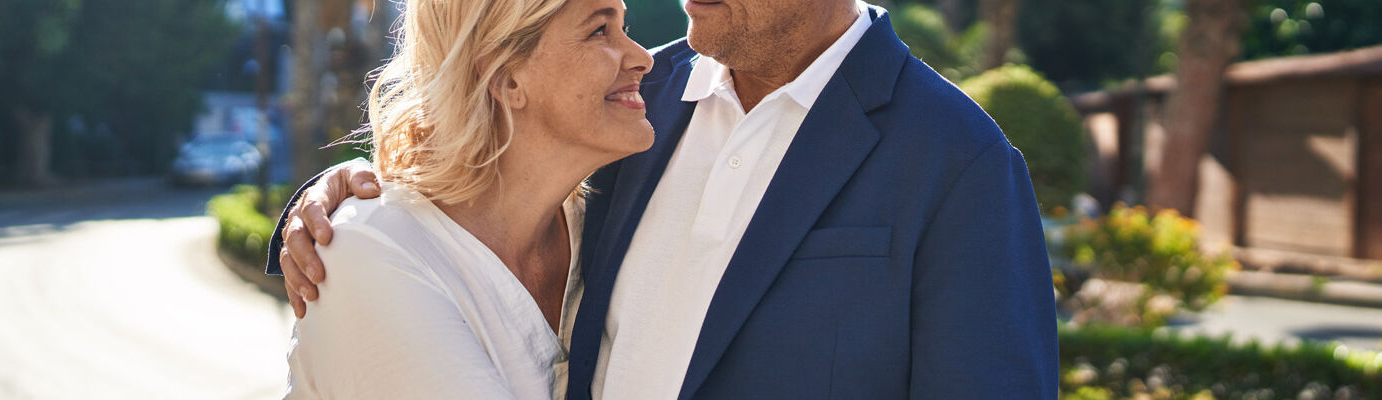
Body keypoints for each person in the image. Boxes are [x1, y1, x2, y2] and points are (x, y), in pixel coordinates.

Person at [272, 0, 1061, 398]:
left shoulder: (960, 165)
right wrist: (341, 204)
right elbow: (478, 192)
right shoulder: (640, 104)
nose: (632, 50)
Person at [278, 0, 654, 397]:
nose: (643, 58)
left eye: (623, 29)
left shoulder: (599, 223)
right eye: (600, 30)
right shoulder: (371, 250)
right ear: (506, 75)